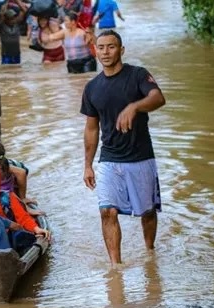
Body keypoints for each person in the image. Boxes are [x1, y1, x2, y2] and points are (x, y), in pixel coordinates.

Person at [80, 30, 166, 265]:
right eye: (101, 47)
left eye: (111, 47)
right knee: (107, 211)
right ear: (95, 51)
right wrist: (87, 165)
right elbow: (91, 129)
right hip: (109, 158)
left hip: (140, 157)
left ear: (121, 50)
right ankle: (115, 268)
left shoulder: (138, 75)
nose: (106, 52)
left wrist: (134, 107)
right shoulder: (92, 88)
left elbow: (158, 98)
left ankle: (150, 253)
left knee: (147, 212)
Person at [0, 0, 29, 65]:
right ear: (6, 19)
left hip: (17, 54)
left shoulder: (16, 24)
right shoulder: (2, 25)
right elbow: (1, 13)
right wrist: (6, 2)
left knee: (17, 69)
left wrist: (17, 1)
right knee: (6, 70)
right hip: (6, 54)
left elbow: (24, 11)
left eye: (14, 17)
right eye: (11, 18)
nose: (13, 20)